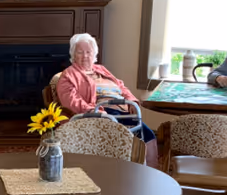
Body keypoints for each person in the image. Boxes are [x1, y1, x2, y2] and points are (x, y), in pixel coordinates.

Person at [56, 33, 158, 165]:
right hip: (103, 113)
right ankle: (128, 169)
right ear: (73, 55)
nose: (85, 56)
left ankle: (151, 173)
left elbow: (120, 86)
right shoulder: (69, 75)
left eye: (88, 52)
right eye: (80, 52)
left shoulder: (101, 69)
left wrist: (132, 100)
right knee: (129, 141)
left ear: (94, 54)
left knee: (149, 137)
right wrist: (93, 111)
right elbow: (71, 101)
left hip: (122, 110)